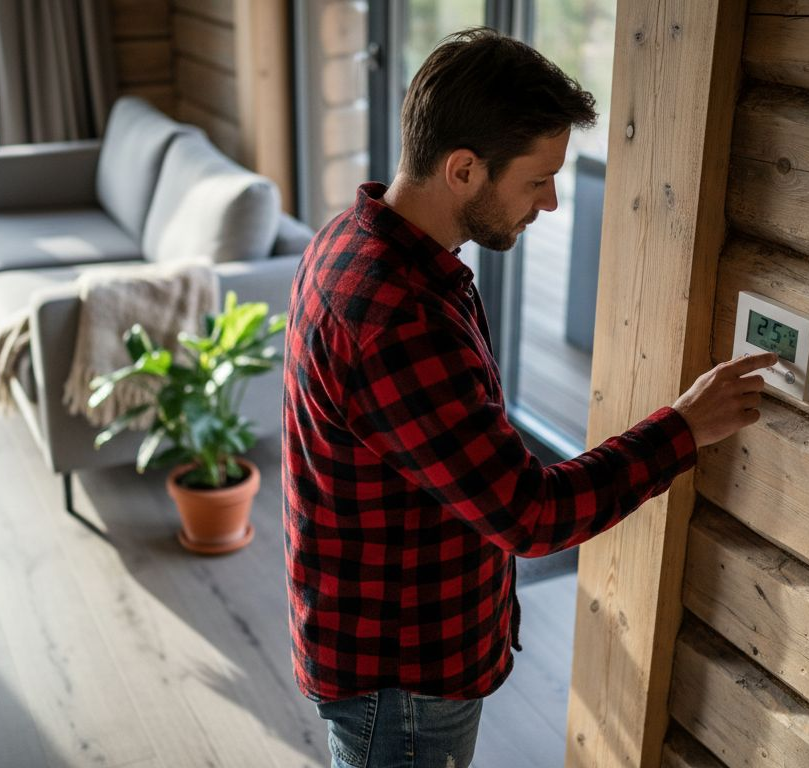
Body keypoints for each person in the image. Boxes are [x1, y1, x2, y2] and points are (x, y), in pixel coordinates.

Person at [281, 27, 775, 768]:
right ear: (463, 169)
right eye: (537, 179)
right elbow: (530, 514)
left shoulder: (352, 238)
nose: (548, 203)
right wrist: (681, 428)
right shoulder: (401, 317)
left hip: (376, 641)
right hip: (403, 681)